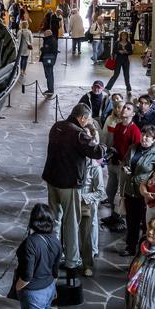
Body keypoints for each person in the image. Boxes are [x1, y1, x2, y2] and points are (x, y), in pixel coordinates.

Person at [41, 104, 106, 272]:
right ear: (82, 118)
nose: (87, 122)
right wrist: (103, 146)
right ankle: (71, 261)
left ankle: (53, 257)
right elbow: (96, 152)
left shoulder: (57, 126)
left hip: (52, 180)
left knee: (55, 221)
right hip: (68, 185)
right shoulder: (78, 133)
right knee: (71, 223)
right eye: (88, 119)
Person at [10, 203, 62, 309]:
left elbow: (27, 275)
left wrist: (17, 288)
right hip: (49, 289)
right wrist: (53, 287)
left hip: (34, 294)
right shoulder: (55, 239)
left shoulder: (31, 243)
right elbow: (55, 270)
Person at [120, 125, 155, 256]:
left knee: (145, 222)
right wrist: (125, 167)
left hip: (144, 192)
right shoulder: (133, 147)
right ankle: (130, 246)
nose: (144, 138)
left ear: (154, 140)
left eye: (148, 136)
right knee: (131, 220)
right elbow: (125, 161)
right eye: (143, 135)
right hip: (130, 189)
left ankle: (144, 249)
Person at [103, 101, 141, 230]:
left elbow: (136, 151)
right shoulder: (119, 126)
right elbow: (116, 143)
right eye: (124, 107)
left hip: (123, 167)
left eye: (128, 108)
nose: (124, 109)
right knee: (110, 191)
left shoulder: (135, 131)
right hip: (114, 162)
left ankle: (120, 220)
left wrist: (126, 163)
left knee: (120, 194)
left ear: (133, 114)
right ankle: (113, 215)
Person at [79, 134, 106, 277]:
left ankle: (87, 264)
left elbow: (100, 192)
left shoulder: (95, 167)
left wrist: (83, 197)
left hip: (85, 205)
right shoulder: (73, 162)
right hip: (71, 202)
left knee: (86, 236)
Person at [40, 9, 61, 97]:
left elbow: (47, 50)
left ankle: (50, 90)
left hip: (48, 59)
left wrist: (42, 49)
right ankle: (50, 89)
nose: (44, 35)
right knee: (49, 74)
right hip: (50, 59)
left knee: (49, 75)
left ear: (47, 35)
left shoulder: (49, 41)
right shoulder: (53, 39)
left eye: (45, 34)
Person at [106, 30, 134, 95]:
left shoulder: (129, 43)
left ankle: (129, 89)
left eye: (125, 35)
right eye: (122, 35)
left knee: (126, 75)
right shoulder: (117, 42)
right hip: (118, 59)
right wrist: (119, 51)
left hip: (126, 60)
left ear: (127, 36)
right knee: (116, 74)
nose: (123, 36)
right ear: (120, 36)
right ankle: (107, 88)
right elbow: (114, 51)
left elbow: (131, 52)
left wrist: (126, 52)